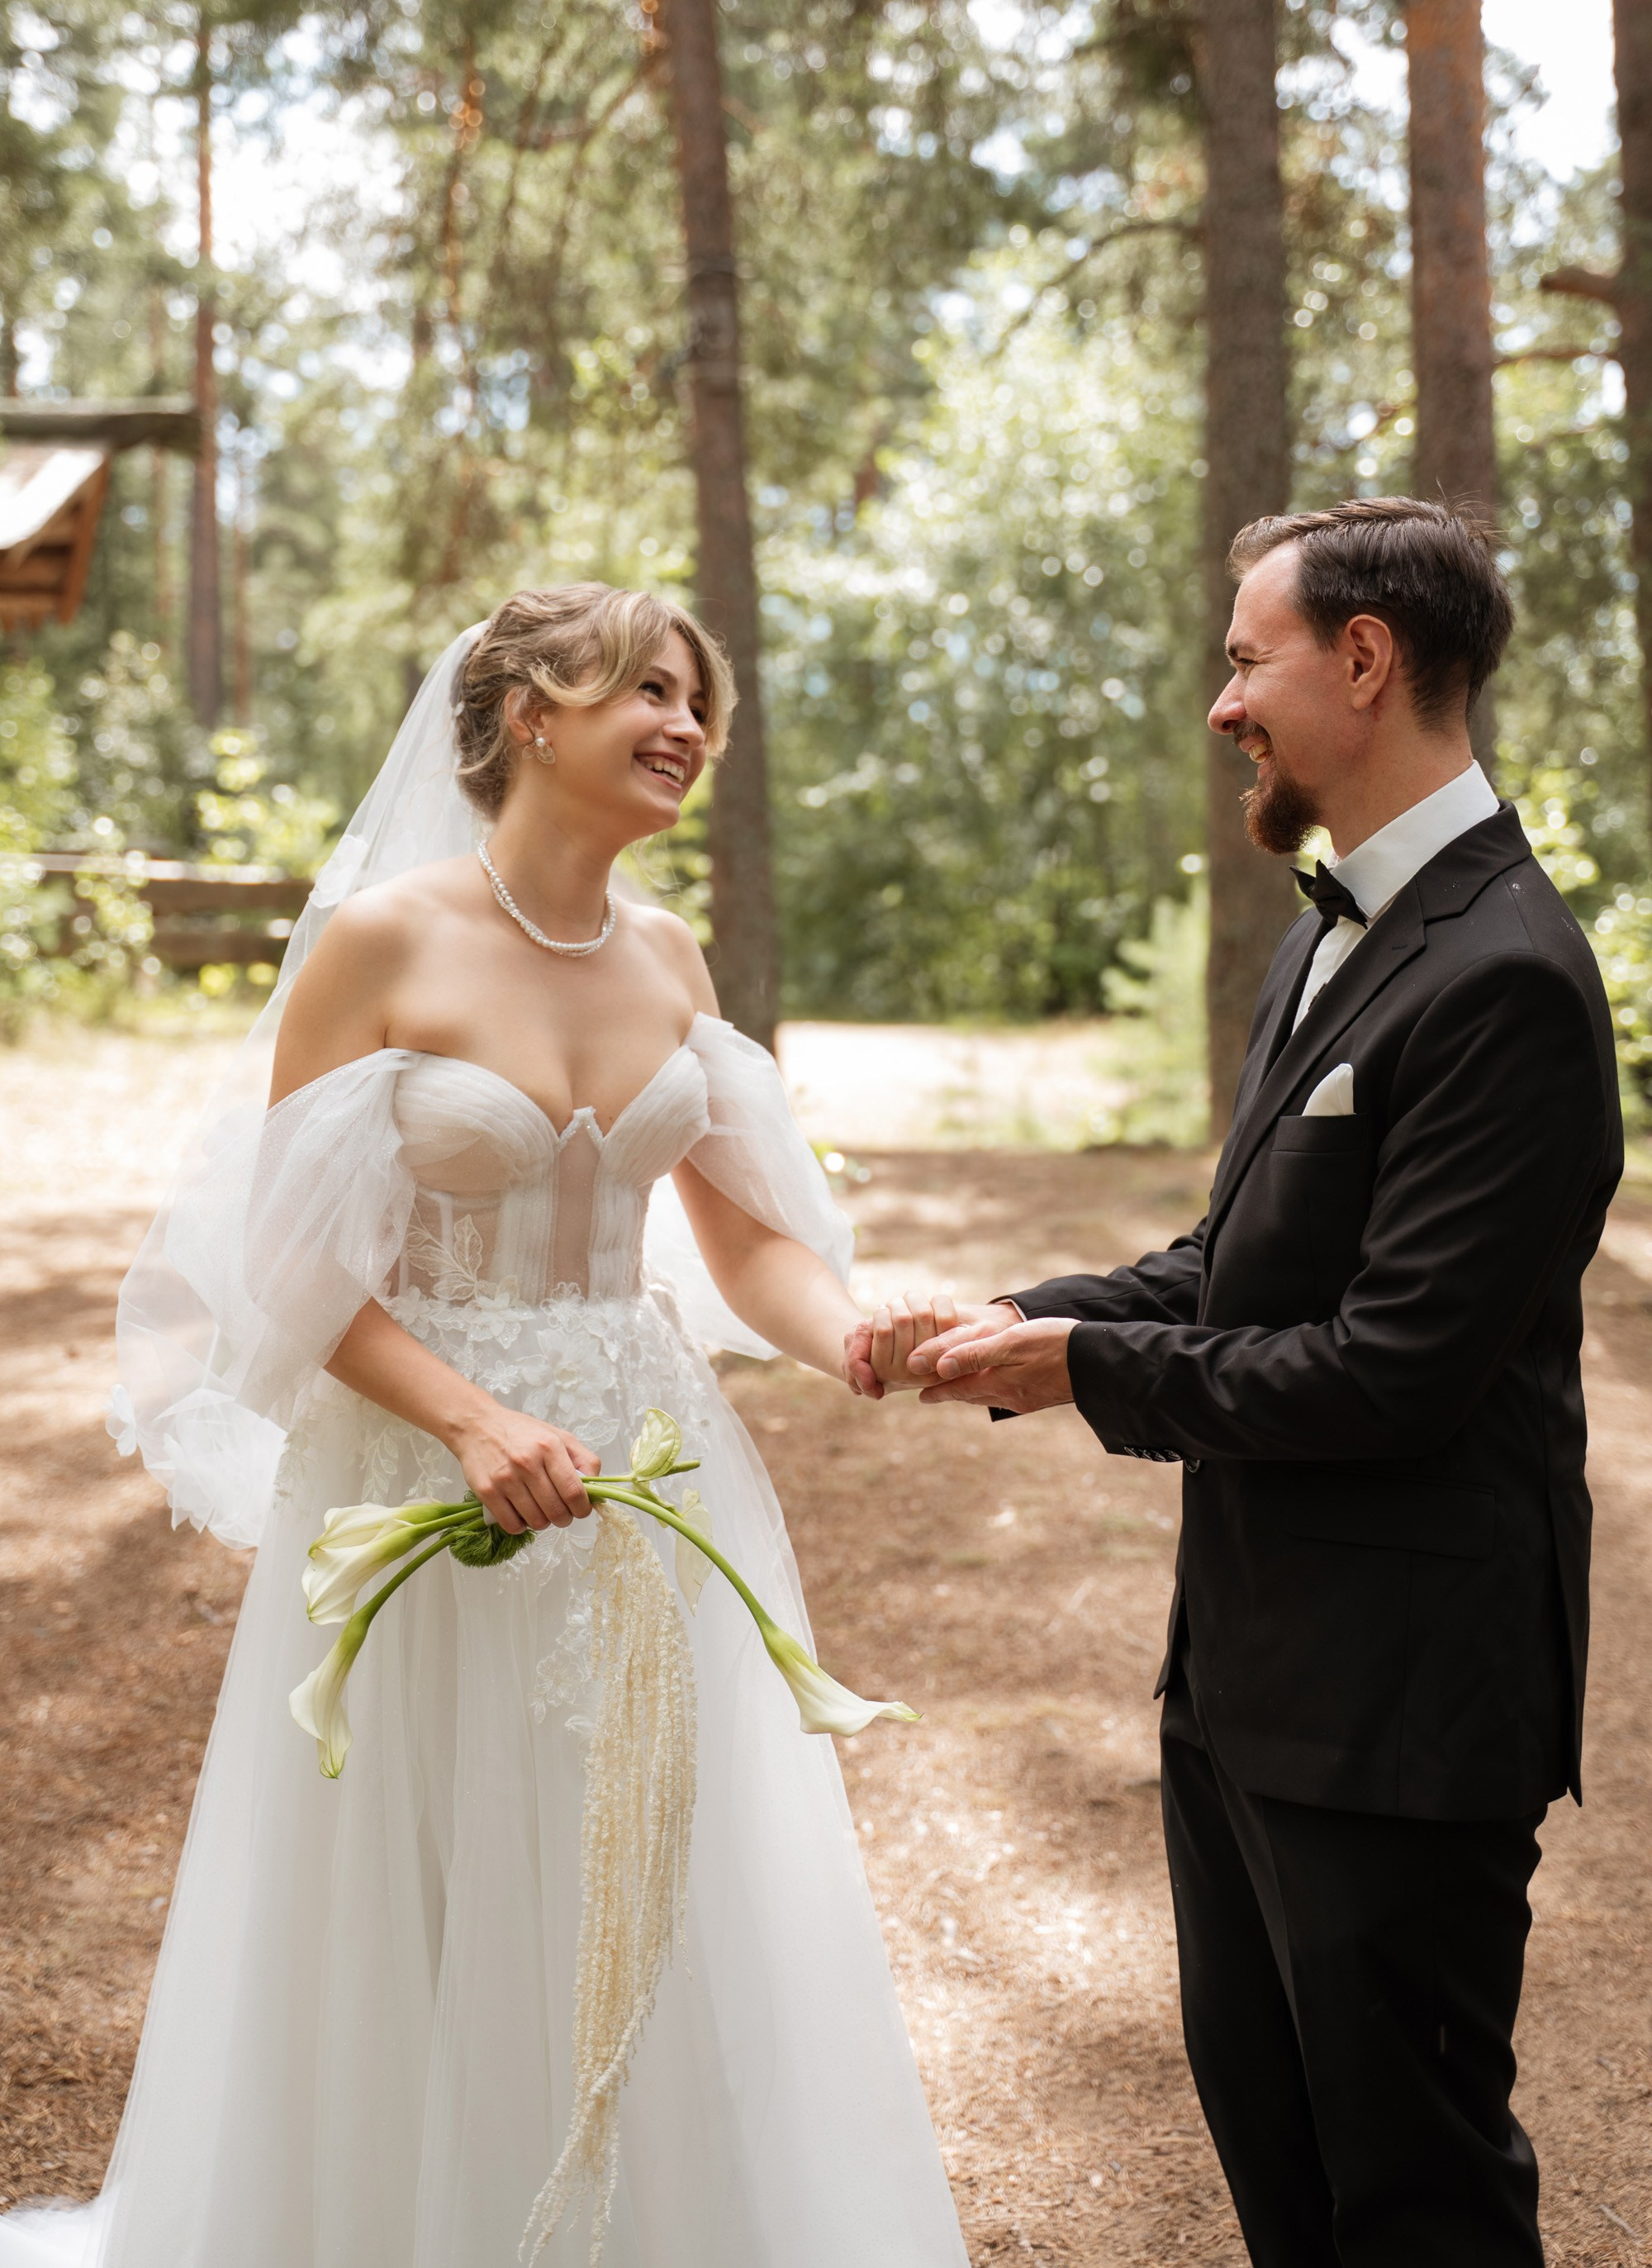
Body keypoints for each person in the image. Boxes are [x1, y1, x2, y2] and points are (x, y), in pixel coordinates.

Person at [1, 587, 966, 2268]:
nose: (687, 725)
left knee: (660, 1853)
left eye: (698, 702)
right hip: (420, 1469)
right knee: (423, 1867)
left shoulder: (670, 953)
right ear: (529, 711)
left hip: (645, 1466)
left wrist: (857, 1341)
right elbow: (288, 1261)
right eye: (647, 691)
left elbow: (742, 1236)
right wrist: (466, 1420)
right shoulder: (383, 940)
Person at [851, 500, 1622, 2268]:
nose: (1223, 704)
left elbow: (1392, 1370)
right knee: (1285, 2177)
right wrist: (1008, 1314)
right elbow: (1239, 1265)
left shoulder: (1506, 973)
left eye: (1245, 657)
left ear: (1363, 660)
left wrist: (1082, 1367)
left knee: (1410, 2197)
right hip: (1248, 1682)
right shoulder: (1327, 929)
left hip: (1401, 1713)